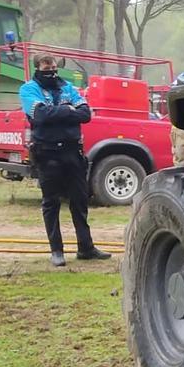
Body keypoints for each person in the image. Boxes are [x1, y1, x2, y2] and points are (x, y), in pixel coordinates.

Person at [19, 54, 111, 267]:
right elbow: (40, 115)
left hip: (72, 152)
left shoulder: (68, 87)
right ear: (38, 66)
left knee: (79, 201)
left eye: (52, 65)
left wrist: (59, 113)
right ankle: (57, 251)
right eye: (46, 65)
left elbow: (86, 113)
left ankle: (86, 248)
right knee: (51, 203)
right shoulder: (28, 89)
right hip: (47, 154)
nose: (50, 68)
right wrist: (69, 110)